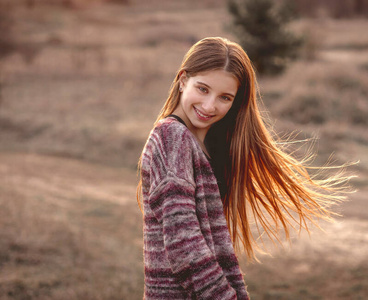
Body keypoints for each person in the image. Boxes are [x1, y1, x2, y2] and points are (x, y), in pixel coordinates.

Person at [137, 37, 351, 299]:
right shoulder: (172, 137)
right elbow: (184, 246)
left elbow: (216, 251)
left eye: (224, 97)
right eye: (202, 89)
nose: (209, 106)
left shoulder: (202, 145)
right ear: (183, 80)